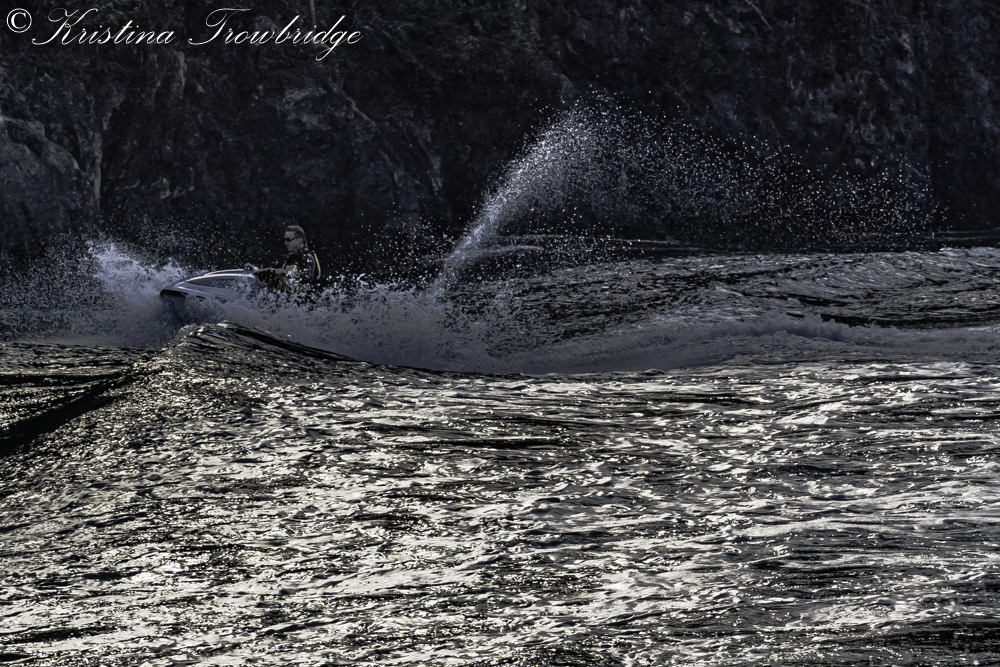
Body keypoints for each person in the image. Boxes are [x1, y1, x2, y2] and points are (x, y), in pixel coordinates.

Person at [253, 225, 321, 293]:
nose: (286, 243)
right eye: (285, 240)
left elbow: (308, 279)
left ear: (300, 240)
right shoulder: (287, 258)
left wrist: (286, 274)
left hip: (303, 297)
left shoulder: (308, 258)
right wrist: (255, 270)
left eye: (289, 239)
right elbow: (271, 270)